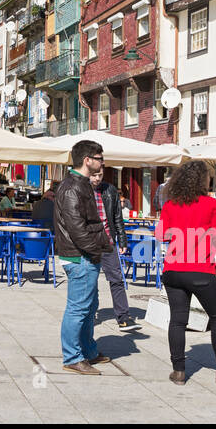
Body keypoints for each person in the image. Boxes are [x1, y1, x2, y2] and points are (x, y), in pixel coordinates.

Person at [156, 159, 216, 388]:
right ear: (203, 180)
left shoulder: (170, 205)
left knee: (178, 321)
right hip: (200, 271)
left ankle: (179, 371)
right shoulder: (212, 205)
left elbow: (161, 236)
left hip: (172, 270)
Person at [53, 140, 111, 376]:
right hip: (80, 257)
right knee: (78, 309)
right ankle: (72, 356)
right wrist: (95, 251)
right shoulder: (72, 188)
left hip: (86, 255)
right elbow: (77, 228)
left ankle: (87, 350)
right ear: (87, 160)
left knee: (89, 307)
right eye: (99, 158)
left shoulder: (81, 184)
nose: (102, 162)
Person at [90, 169, 135, 329]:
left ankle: (124, 316)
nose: (97, 178)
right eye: (94, 175)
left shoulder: (109, 190)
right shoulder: (80, 190)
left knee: (116, 278)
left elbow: (117, 217)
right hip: (88, 243)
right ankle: (89, 315)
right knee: (89, 280)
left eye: (100, 175)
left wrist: (122, 240)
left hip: (108, 242)